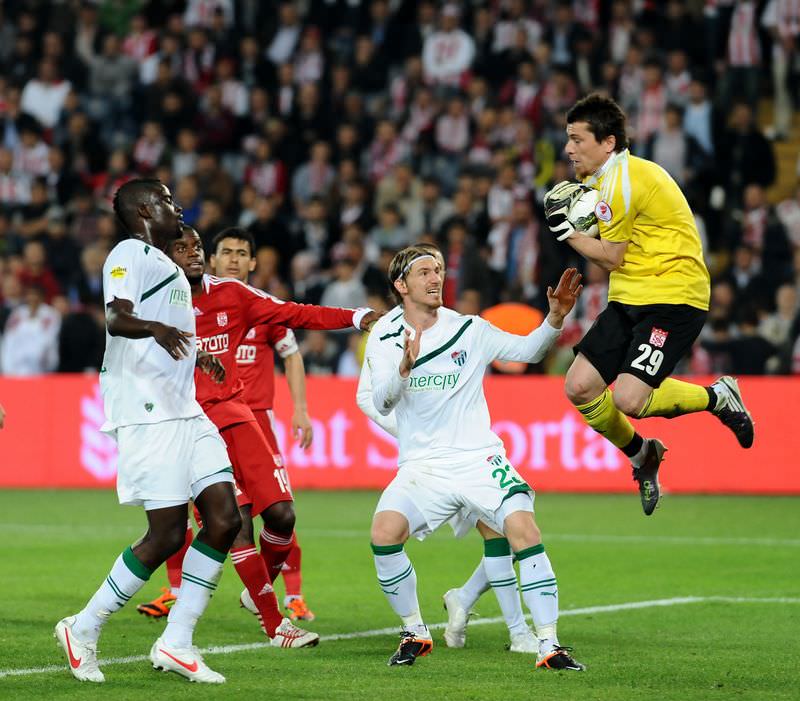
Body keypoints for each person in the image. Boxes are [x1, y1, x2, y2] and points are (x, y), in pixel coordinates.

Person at [55, 178, 242, 685]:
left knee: (225, 519)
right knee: (167, 534)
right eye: (166, 200)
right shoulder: (128, 253)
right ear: (143, 210)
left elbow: (167, 326)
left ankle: (177, 642)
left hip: (185, 409)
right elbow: (117, 318)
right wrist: (156, 329)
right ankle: (83, 627)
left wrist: (197, 355)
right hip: (147, 411)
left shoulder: (167, 265)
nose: (176, 207)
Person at [366, 244, 585, 670]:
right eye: (425, 272)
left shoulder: (468, 328)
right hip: (423, 465)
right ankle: (414, 631)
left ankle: (549, 645)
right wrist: (403, 370)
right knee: (384, 533)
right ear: (401, 285)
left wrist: (555, 319)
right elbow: (382, 401)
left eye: (438, 270)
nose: (436, 278)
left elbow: (529, 351)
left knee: (524, 530)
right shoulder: (385, 335)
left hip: (477, 457)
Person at [163, 225, 378, 647]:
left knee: (282, 514)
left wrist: (355, 317)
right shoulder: (157, 304)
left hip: (240, 417)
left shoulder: (235, 295)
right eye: (182, 248)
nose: (193, 253)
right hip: (191, 428)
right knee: (234, 524)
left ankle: (256, 587)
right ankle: (275, 622)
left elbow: (295, 313)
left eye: (197, 246)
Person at [544, 94, 754, 517]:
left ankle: (717, 396)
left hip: (674, 296)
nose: (568, 149)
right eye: (568, 139)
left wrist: (567, 231)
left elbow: (611, 257)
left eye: (578, 140)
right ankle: (643, 455)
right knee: (579, 386)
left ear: (608, 142)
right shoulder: (605, 181)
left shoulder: (621, 182)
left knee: (628, 398)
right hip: (631, 295)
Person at [138, 228, 317, 623]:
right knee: (198, 511)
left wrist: (300, 409)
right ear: (214, 260)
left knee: (279, 509)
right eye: (226, 252)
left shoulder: (262, 309)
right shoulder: (181, 306)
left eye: (242, 253)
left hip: (255, 420)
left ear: (253, 262)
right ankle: (178, 591)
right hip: (203, 420)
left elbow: (293, 355)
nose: (234, 259)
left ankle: (291, 593)